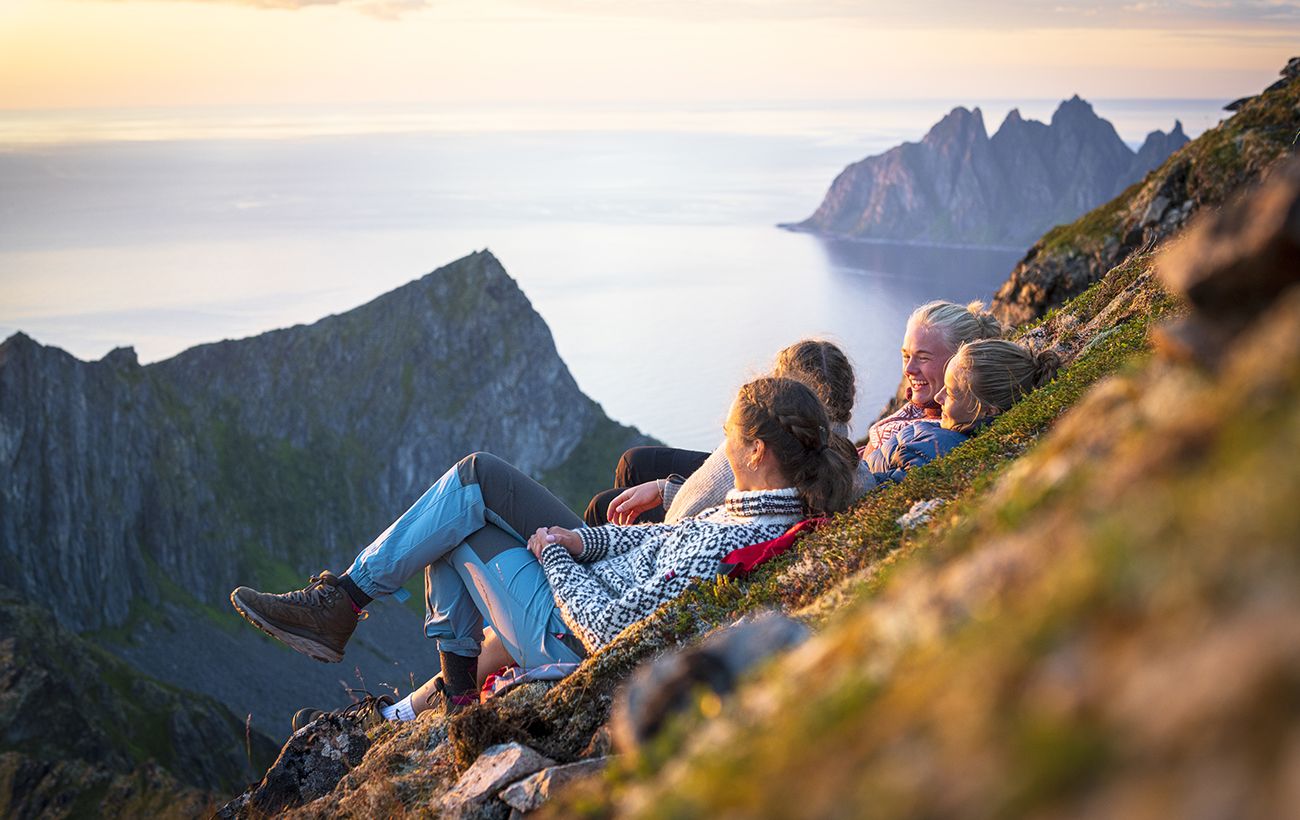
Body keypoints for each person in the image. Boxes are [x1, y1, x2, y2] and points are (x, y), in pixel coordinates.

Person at [231, 376, 857, 720]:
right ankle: (438, 687)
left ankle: (352, 611)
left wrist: (555, 558)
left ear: (756, 453)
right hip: (587, 590)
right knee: (463, 504)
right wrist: (578, 538)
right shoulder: (759, 512)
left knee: (463, 507)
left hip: (573, 634)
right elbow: (656, 543)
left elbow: (612, 626)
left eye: (728, 439)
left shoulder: (739, 532)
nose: (721, 447)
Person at [587, 339, 874, 528]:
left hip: (699, 525)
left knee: (606, 504)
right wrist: (665, 488)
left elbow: (683, 516)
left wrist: (666, 496)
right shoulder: (852, 470)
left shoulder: (745, 459)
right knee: (635, 462)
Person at [868, 339, 1059, 483]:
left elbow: (872, 494)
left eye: (950, 393)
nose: (938, 397)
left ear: (987, 410)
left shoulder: (938, 448)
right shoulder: (946, 432)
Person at [862, 300, 1003, 458]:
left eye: (923, 358)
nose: (908, 369)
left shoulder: (937, 437)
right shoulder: (920, 415)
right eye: (906, 356)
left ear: (963, 361)